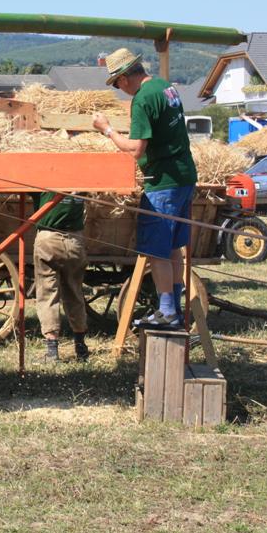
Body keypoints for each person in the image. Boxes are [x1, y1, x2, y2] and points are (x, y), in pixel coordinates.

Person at [92, 48, 196, 329]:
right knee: (173, 248)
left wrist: (107, 130)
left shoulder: (143, 99)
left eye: (117, 83)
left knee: (157, 250)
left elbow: (136, 149)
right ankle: (173, 307)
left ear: (126, 77)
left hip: (163, 182)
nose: (118, 88)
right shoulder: (165, 87)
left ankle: (167, 312)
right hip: (184, 176)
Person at [32, 190, 89, 362]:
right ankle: (81, 347)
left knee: (47, 292)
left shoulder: (43, 181)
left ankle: (52, 350)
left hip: (48, 239)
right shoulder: (82, 181)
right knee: (74, 291)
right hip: (75, 241)